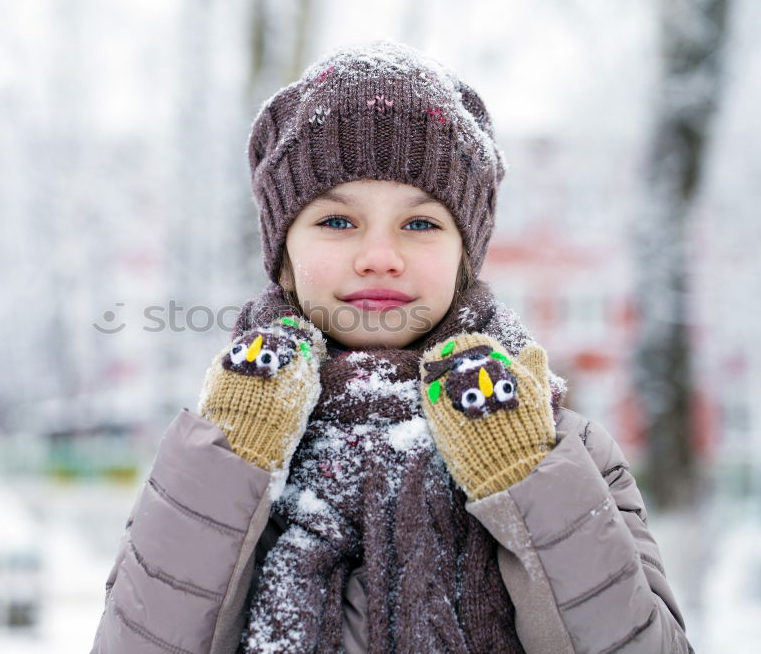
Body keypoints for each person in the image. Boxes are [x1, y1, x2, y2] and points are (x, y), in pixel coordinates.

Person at [91, 40, 692, 653]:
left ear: (464, 258)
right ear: (285, 258)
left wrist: (522, 473)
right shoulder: (221, 442)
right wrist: (233, 456)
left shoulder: (563, 446)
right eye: (337, 221)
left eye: (421, 224)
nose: (380, 256)